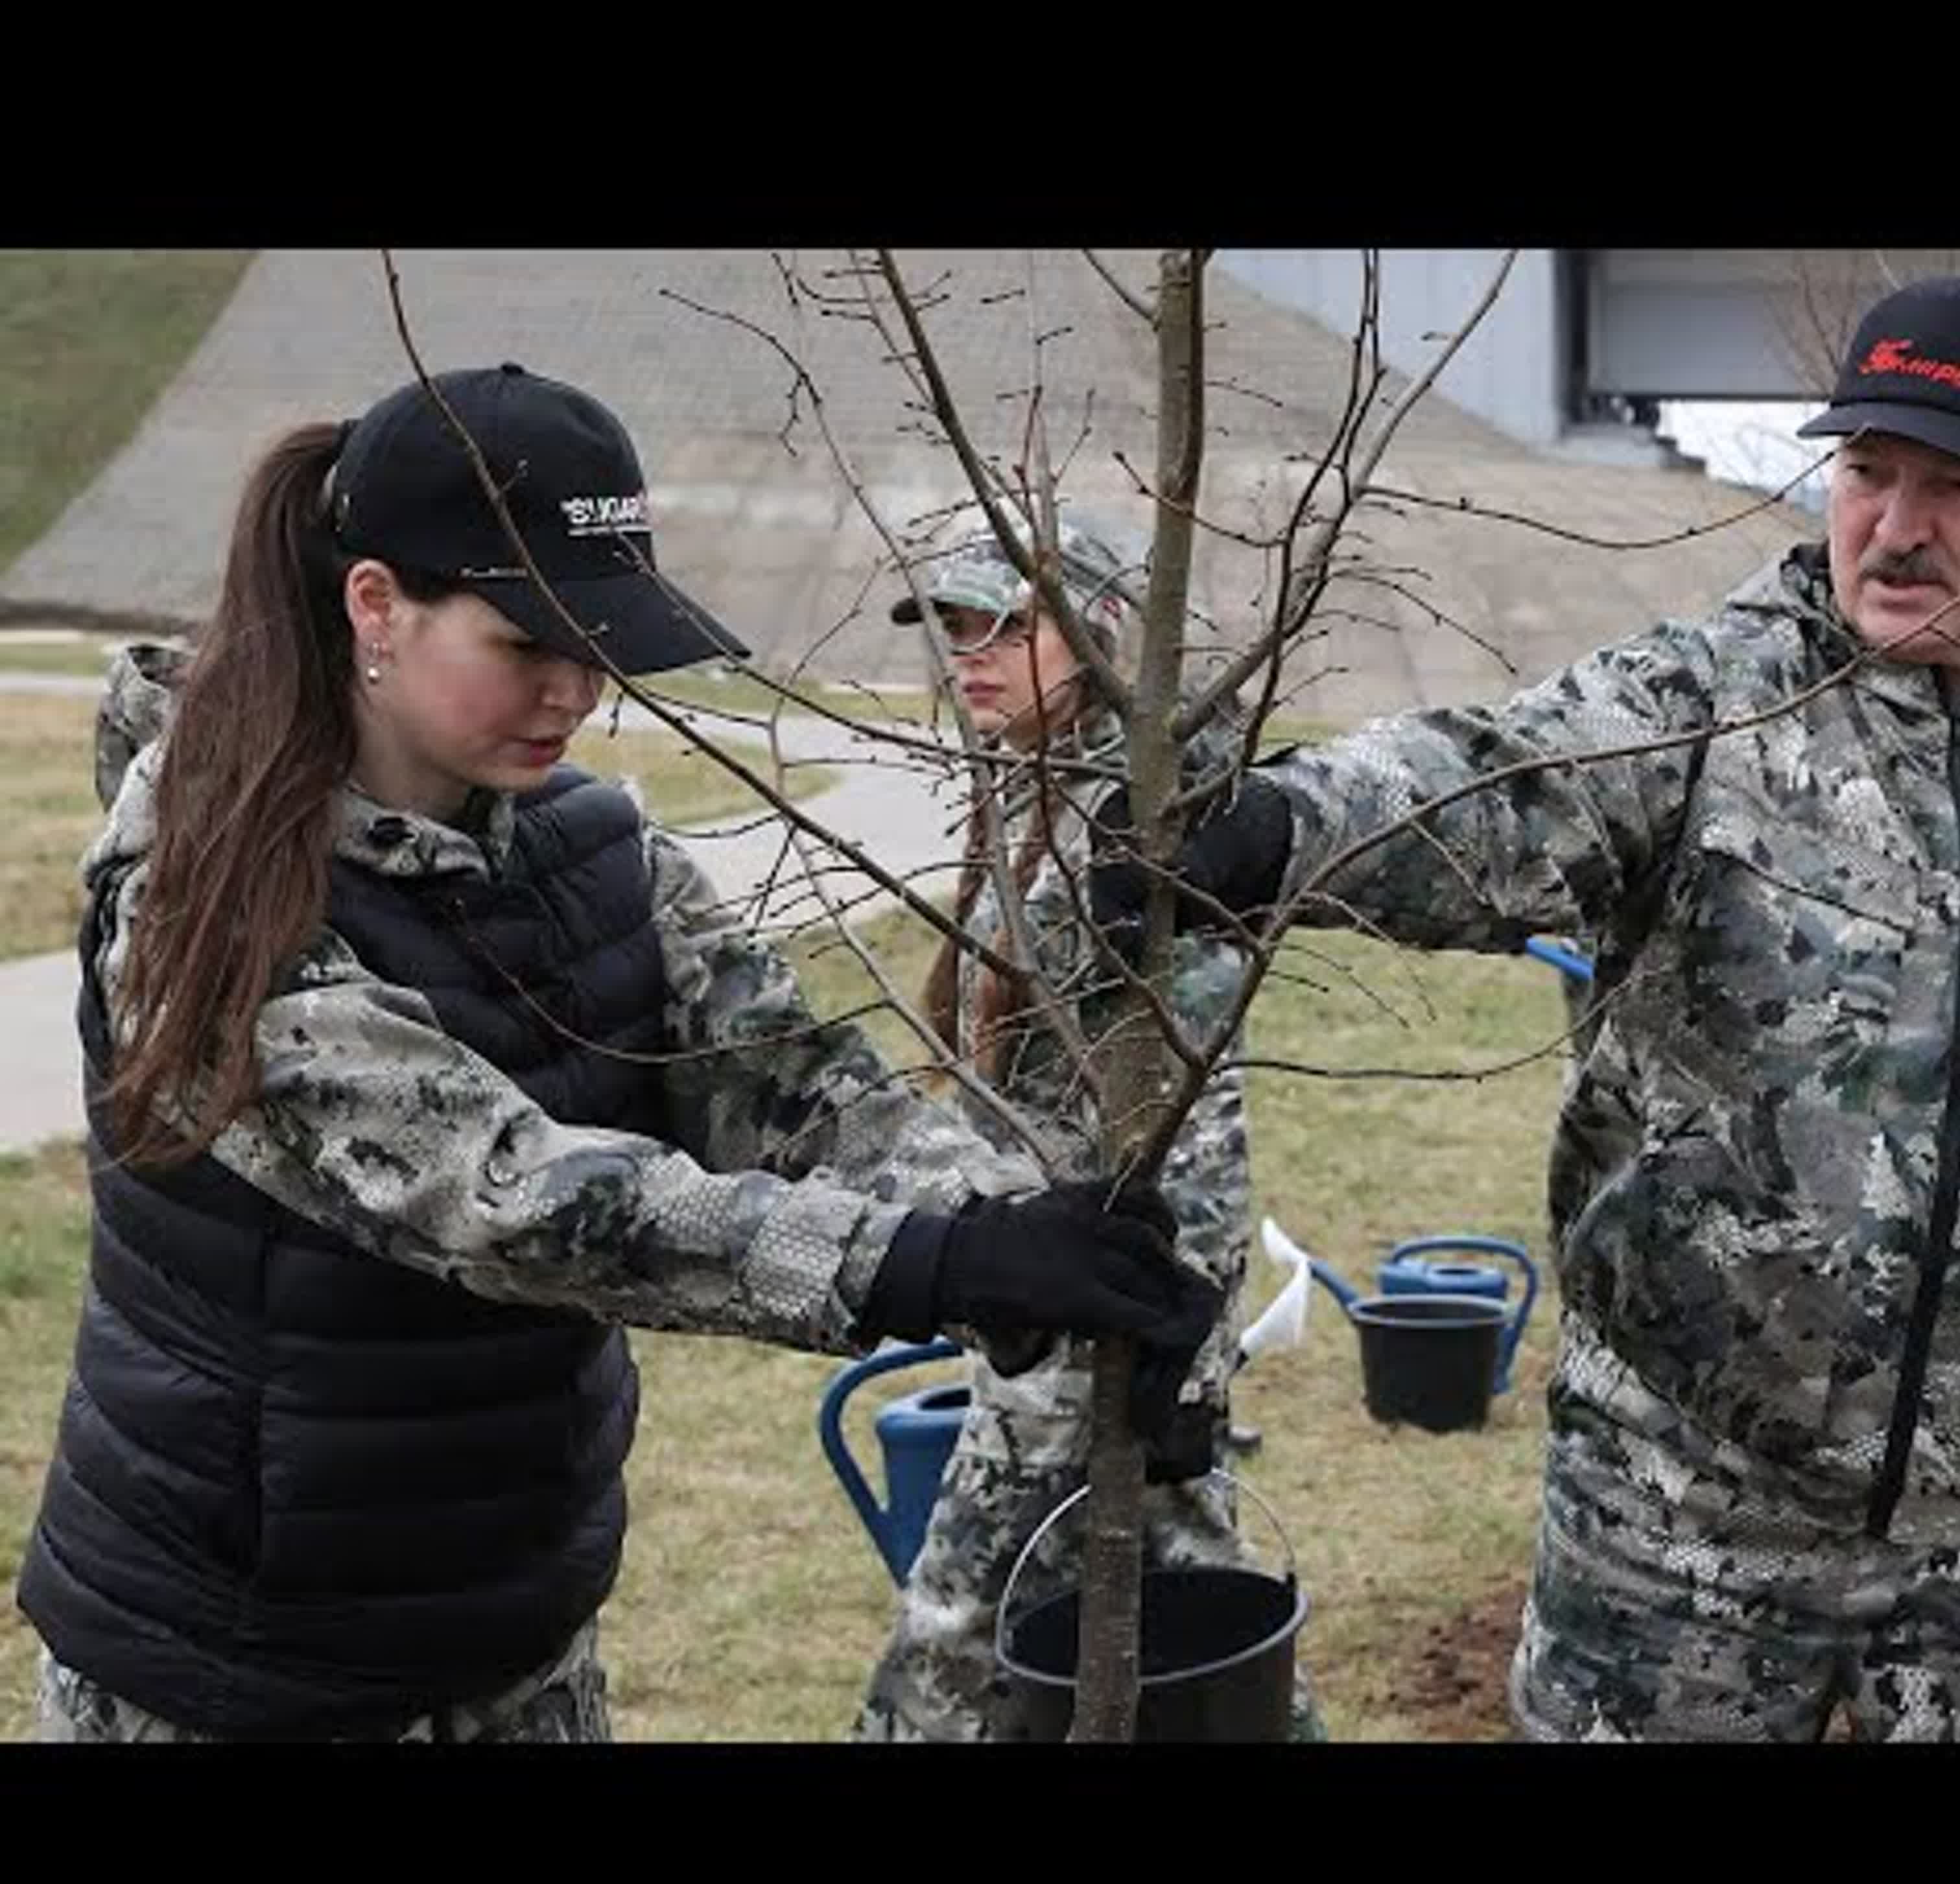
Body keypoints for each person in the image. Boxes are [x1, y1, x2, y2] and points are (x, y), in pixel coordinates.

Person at [1096, 274, 1960, 1741]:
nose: (1896, 525)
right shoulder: (1704, 711)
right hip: (1678, 1526)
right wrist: (1274, 830)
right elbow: (1486, 783)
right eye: (1868, 471)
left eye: (1959, 486)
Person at [18, 364, 1218, 1743]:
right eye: (526, 643)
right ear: (375, 604)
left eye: (596, 644)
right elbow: (503, 1195)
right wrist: (923, 1265)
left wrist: (1037, 1242)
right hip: (229, 1671)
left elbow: (799, 1084)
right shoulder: (200, 897)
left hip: (515, 1638)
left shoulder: (597, 848)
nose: (572, 690)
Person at [850, 510, 1319, 1741]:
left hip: (1108, 1307)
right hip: (1043, 1278)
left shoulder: (1144, 824)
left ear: (1099, 631)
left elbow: (1185, 1111)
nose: (968, 656)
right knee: (1186, 1601)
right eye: (952, 629)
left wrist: (1181, 1345)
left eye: (1002, 627)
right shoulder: (1035, 783)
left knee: (958, 1642)